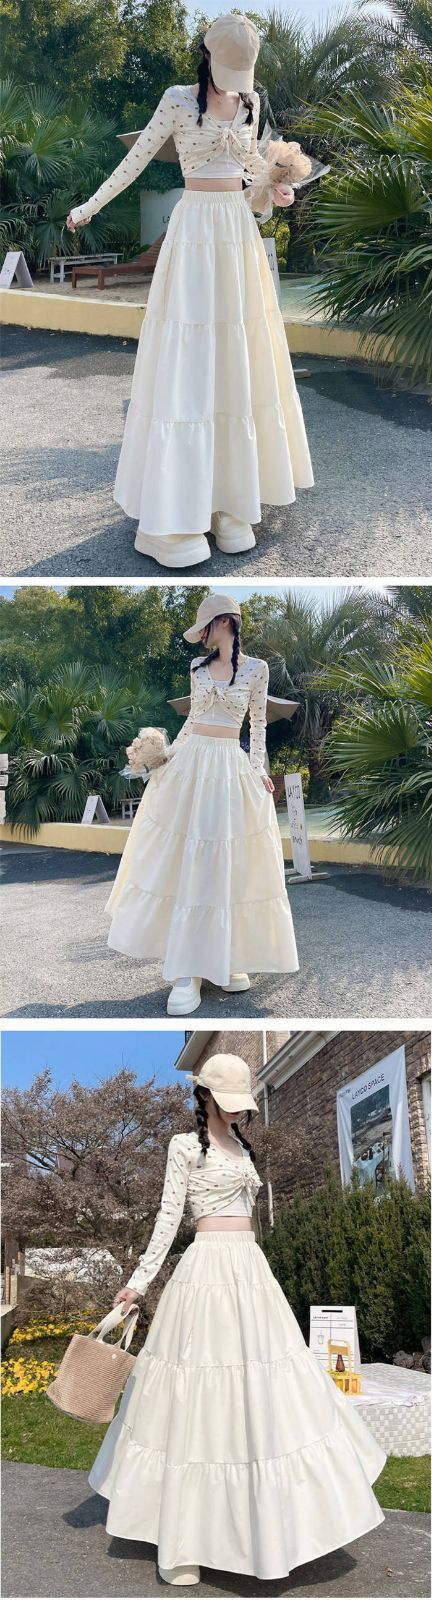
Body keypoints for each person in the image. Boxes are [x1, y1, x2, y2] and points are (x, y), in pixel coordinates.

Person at [87, 1053, 387, 1586]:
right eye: (225, 1100)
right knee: (194, 1403)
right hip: (204, 1275)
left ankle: (272, 1525)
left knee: (264, 1398)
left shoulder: (244, 1148)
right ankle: (179, 1542)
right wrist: (139, 1282)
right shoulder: (184, 1146)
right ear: (202, 1095)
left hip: (250, 1273)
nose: (235, 1110)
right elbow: (167, 1218)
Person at [66, 13, 314, 570]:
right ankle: (175, 515)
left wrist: (278, 188)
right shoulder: (177, 100)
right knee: (190, 363)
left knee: (236, 361)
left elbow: (250, 170)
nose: (237, 82)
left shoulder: (250, 104)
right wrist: (88, 206)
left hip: (237, 233)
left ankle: (231, 503)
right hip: (195, 229)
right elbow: (134, 162)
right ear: (207, 56)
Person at [106, 592, 299, 1014]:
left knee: (228, 862)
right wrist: (164, 757)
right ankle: (186, 971)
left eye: (206, 627)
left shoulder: (257, 669)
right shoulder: (197, 666)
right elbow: (192, 721)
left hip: (230, 765)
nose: (203, 637)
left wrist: (258, 770)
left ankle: (225, 959)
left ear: (224, 622)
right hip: (193, 762)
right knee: (187, 861)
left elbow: (258, 726)